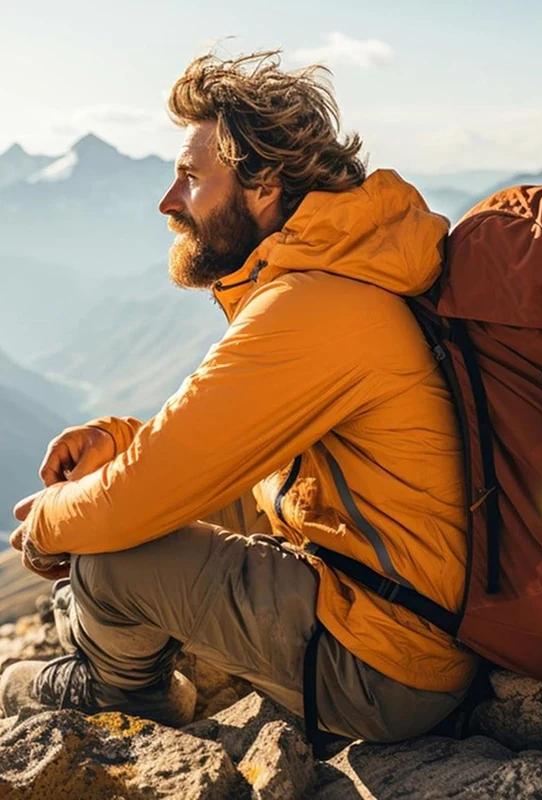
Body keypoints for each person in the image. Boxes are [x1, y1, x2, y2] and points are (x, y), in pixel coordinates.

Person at [0, 50, 477, 742]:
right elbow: (226, 462)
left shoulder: (314, 303)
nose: (168, 203)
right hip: (397, 615)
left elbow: (139, 496)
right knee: (115, 505)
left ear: (264, 185)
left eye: (191, 180)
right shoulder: (350, 271)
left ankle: (121, 698)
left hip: (389, 669)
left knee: (108, 552)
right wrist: (118, 445)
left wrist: (48, 524)